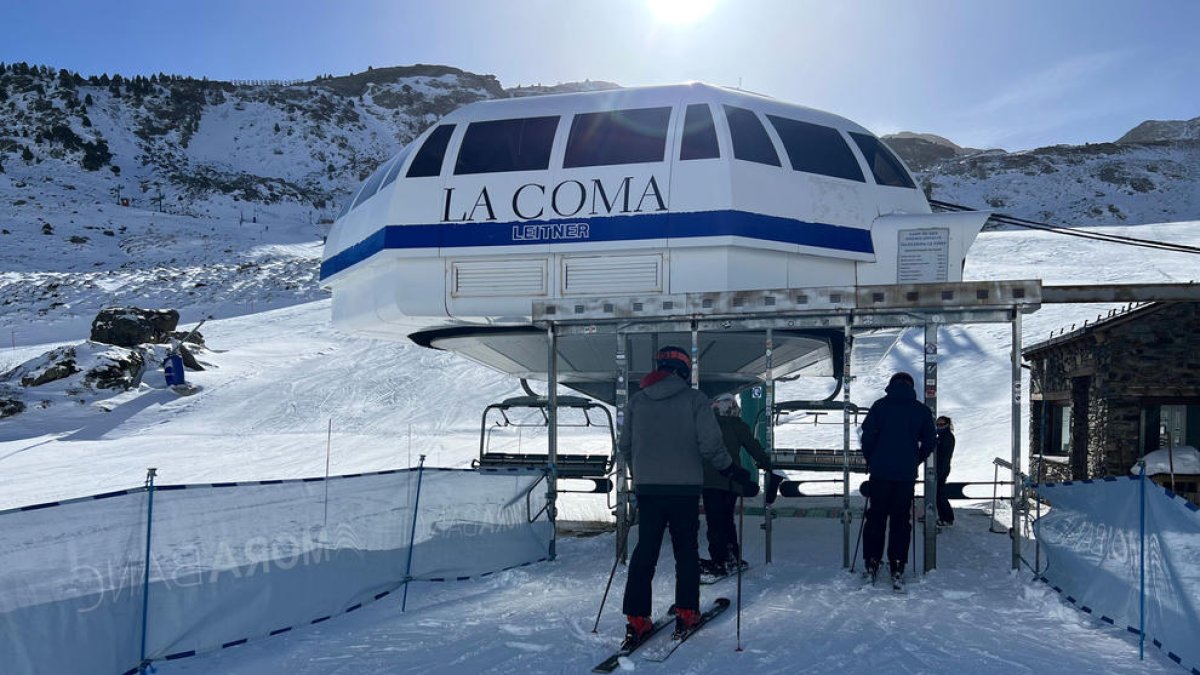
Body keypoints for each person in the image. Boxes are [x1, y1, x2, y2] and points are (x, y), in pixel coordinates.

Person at [619, 347, 757, 646]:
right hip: (684, 489)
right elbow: (710, 446)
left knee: (646, 551)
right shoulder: (695, 400)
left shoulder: (637, 401)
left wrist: (640, 474)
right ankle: (687, 611)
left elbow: (625, 445)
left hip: (648, 489)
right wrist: (734, 473)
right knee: (686, 551)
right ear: (683, 370)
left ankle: (636, 619)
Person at [859, 372, 937, 586]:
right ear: (911, 386)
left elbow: (866, 436)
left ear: (890, 385)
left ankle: (872, 561)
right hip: (905, 476)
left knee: (876, 517)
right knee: (901, 520)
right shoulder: (921, 410)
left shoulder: (879, 406)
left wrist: (872, 459)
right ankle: (897, 563)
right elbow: (930, 441)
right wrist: (915, 460)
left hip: (880, 473)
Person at [701, 393, 773, 576]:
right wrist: (767, 464)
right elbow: (754, 448)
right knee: (727, 520)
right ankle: (733, 556)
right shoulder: (738, 426)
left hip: (709, 482)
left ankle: (719, 560)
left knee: (715, 522)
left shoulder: (706, 426)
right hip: (732, 481)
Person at [935, 416, 956, 526]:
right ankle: (945, 517)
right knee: (938, 493)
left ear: (947, 425)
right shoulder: (942, 436)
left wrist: (939, 471)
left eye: (941, 424)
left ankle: (946, 517)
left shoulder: (946, 437)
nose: (939, 427)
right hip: (941, 468)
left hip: (941, 469)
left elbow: (944, 456)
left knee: (939, 494)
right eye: (937, 424)